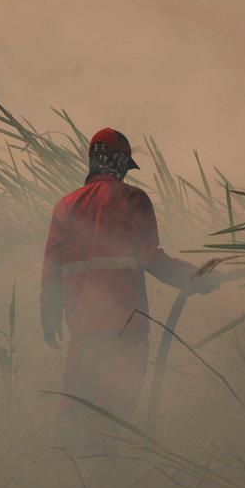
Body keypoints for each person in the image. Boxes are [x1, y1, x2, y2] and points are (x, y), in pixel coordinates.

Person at [41, 127, 219, 453]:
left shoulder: (65, 206)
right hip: (127, 330)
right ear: (120, 163)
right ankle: (108, 474)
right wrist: (198, 278)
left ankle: (58, 471)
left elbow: (52, 269)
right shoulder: (132, 200)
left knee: (74, 411)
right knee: (116, 417)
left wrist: (49, 314)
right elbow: (151, 258)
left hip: (83, 330)